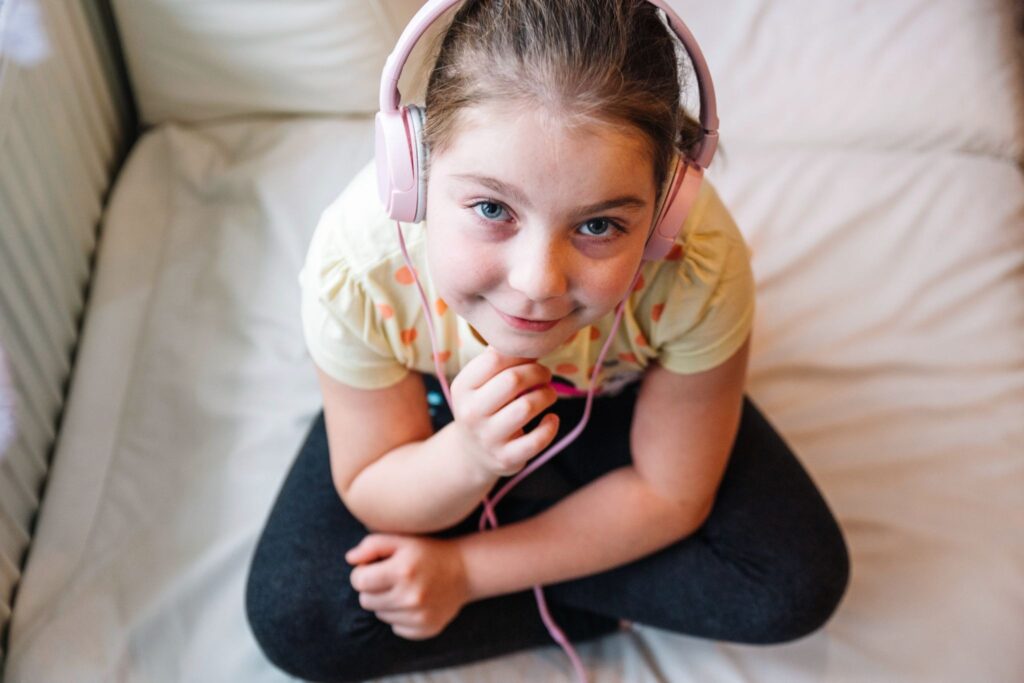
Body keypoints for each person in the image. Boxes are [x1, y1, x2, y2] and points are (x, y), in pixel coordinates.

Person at [245, 1, 850, 681]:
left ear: (663, 214)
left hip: (616, 390)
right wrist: (470, 454)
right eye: (491, 209)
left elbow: (671, 492)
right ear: (411, 173)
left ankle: (536, 545)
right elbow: (373, 485)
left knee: (791, 583)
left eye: (598, 226)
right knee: (295, 615)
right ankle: (609, 581)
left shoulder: (700, 264)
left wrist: (463, 570)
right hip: (438, 413)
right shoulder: (357, 270)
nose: (538, 282)